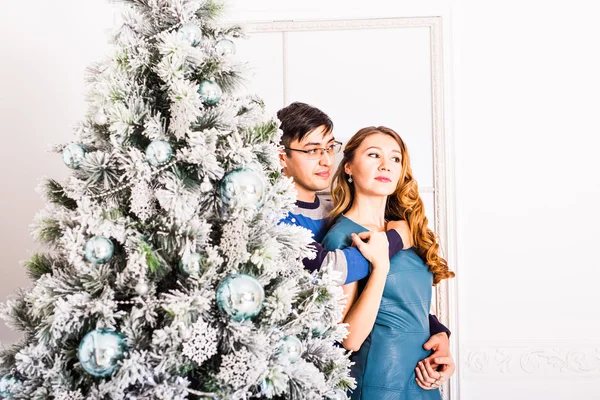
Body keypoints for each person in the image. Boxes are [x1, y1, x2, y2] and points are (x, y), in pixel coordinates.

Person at [276, 103, 455, 389]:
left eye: (329, 147)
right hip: (308, 367)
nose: (324, 160)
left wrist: (440, 334)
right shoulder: (280, 219)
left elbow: (398, 299)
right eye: (312, 150)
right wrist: (396, 240)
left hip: (418, 374)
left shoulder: (329, 213)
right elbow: (332, 267)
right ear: (281, 157)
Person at [321, 125, 456, 399]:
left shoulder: (403, 232)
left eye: (395, 158)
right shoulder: (342, 238)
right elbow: (349, 338)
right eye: (373, 155)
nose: (386, 165)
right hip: (380, 382)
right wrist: (380, 267)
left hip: (423, 378)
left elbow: (409, 304)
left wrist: (442, 340)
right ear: (348, 167)